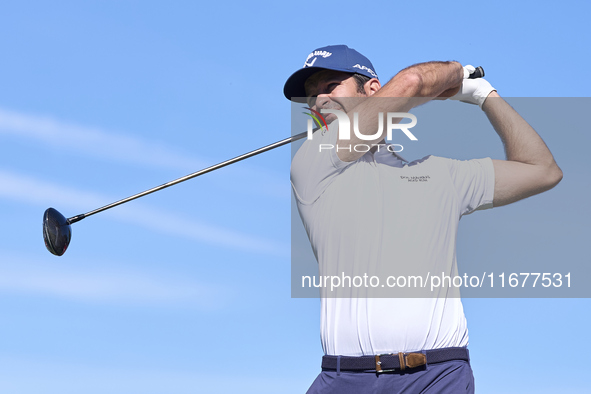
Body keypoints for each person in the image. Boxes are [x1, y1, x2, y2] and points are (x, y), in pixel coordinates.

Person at [285, 45, 562, 393]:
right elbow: (413, 81)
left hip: (439, 376)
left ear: (372, 90)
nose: (318, 101)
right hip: (346, 379)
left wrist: (485, 96)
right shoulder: (312, 163)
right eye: (311, 97)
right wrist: (459, 74)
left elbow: (543, 171)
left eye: (330, 86)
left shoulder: (441, 175)